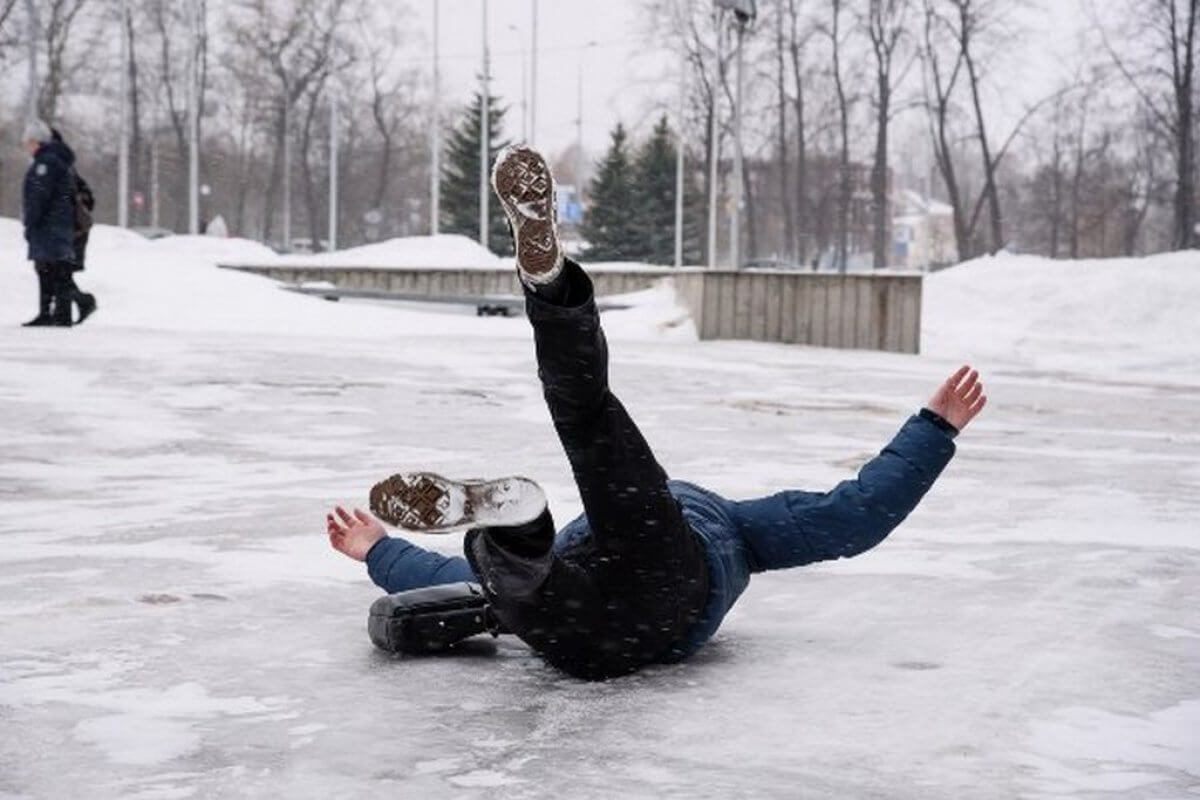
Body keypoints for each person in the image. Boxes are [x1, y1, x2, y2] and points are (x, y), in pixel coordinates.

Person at [326, 144, 988, 681]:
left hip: (594, 603)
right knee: (581, 438)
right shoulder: (744, 530)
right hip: (638, 619)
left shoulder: (729, 523)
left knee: (565, 479)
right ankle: (518, 519)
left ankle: (523, 501)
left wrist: (379, 551)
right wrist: (933, 432)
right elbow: (854, 517)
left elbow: (444, 575)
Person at [20, 120, 96, 327]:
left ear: (37, 141)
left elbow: (38, 196)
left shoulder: (46, 163)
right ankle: (56, 313)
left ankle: (65, 311)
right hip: (60, 226)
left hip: (50, 227)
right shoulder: (59, 162)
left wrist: (30, 222)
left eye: (28, 142)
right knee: (52, 270)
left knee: (55, 272)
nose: (26, 146)